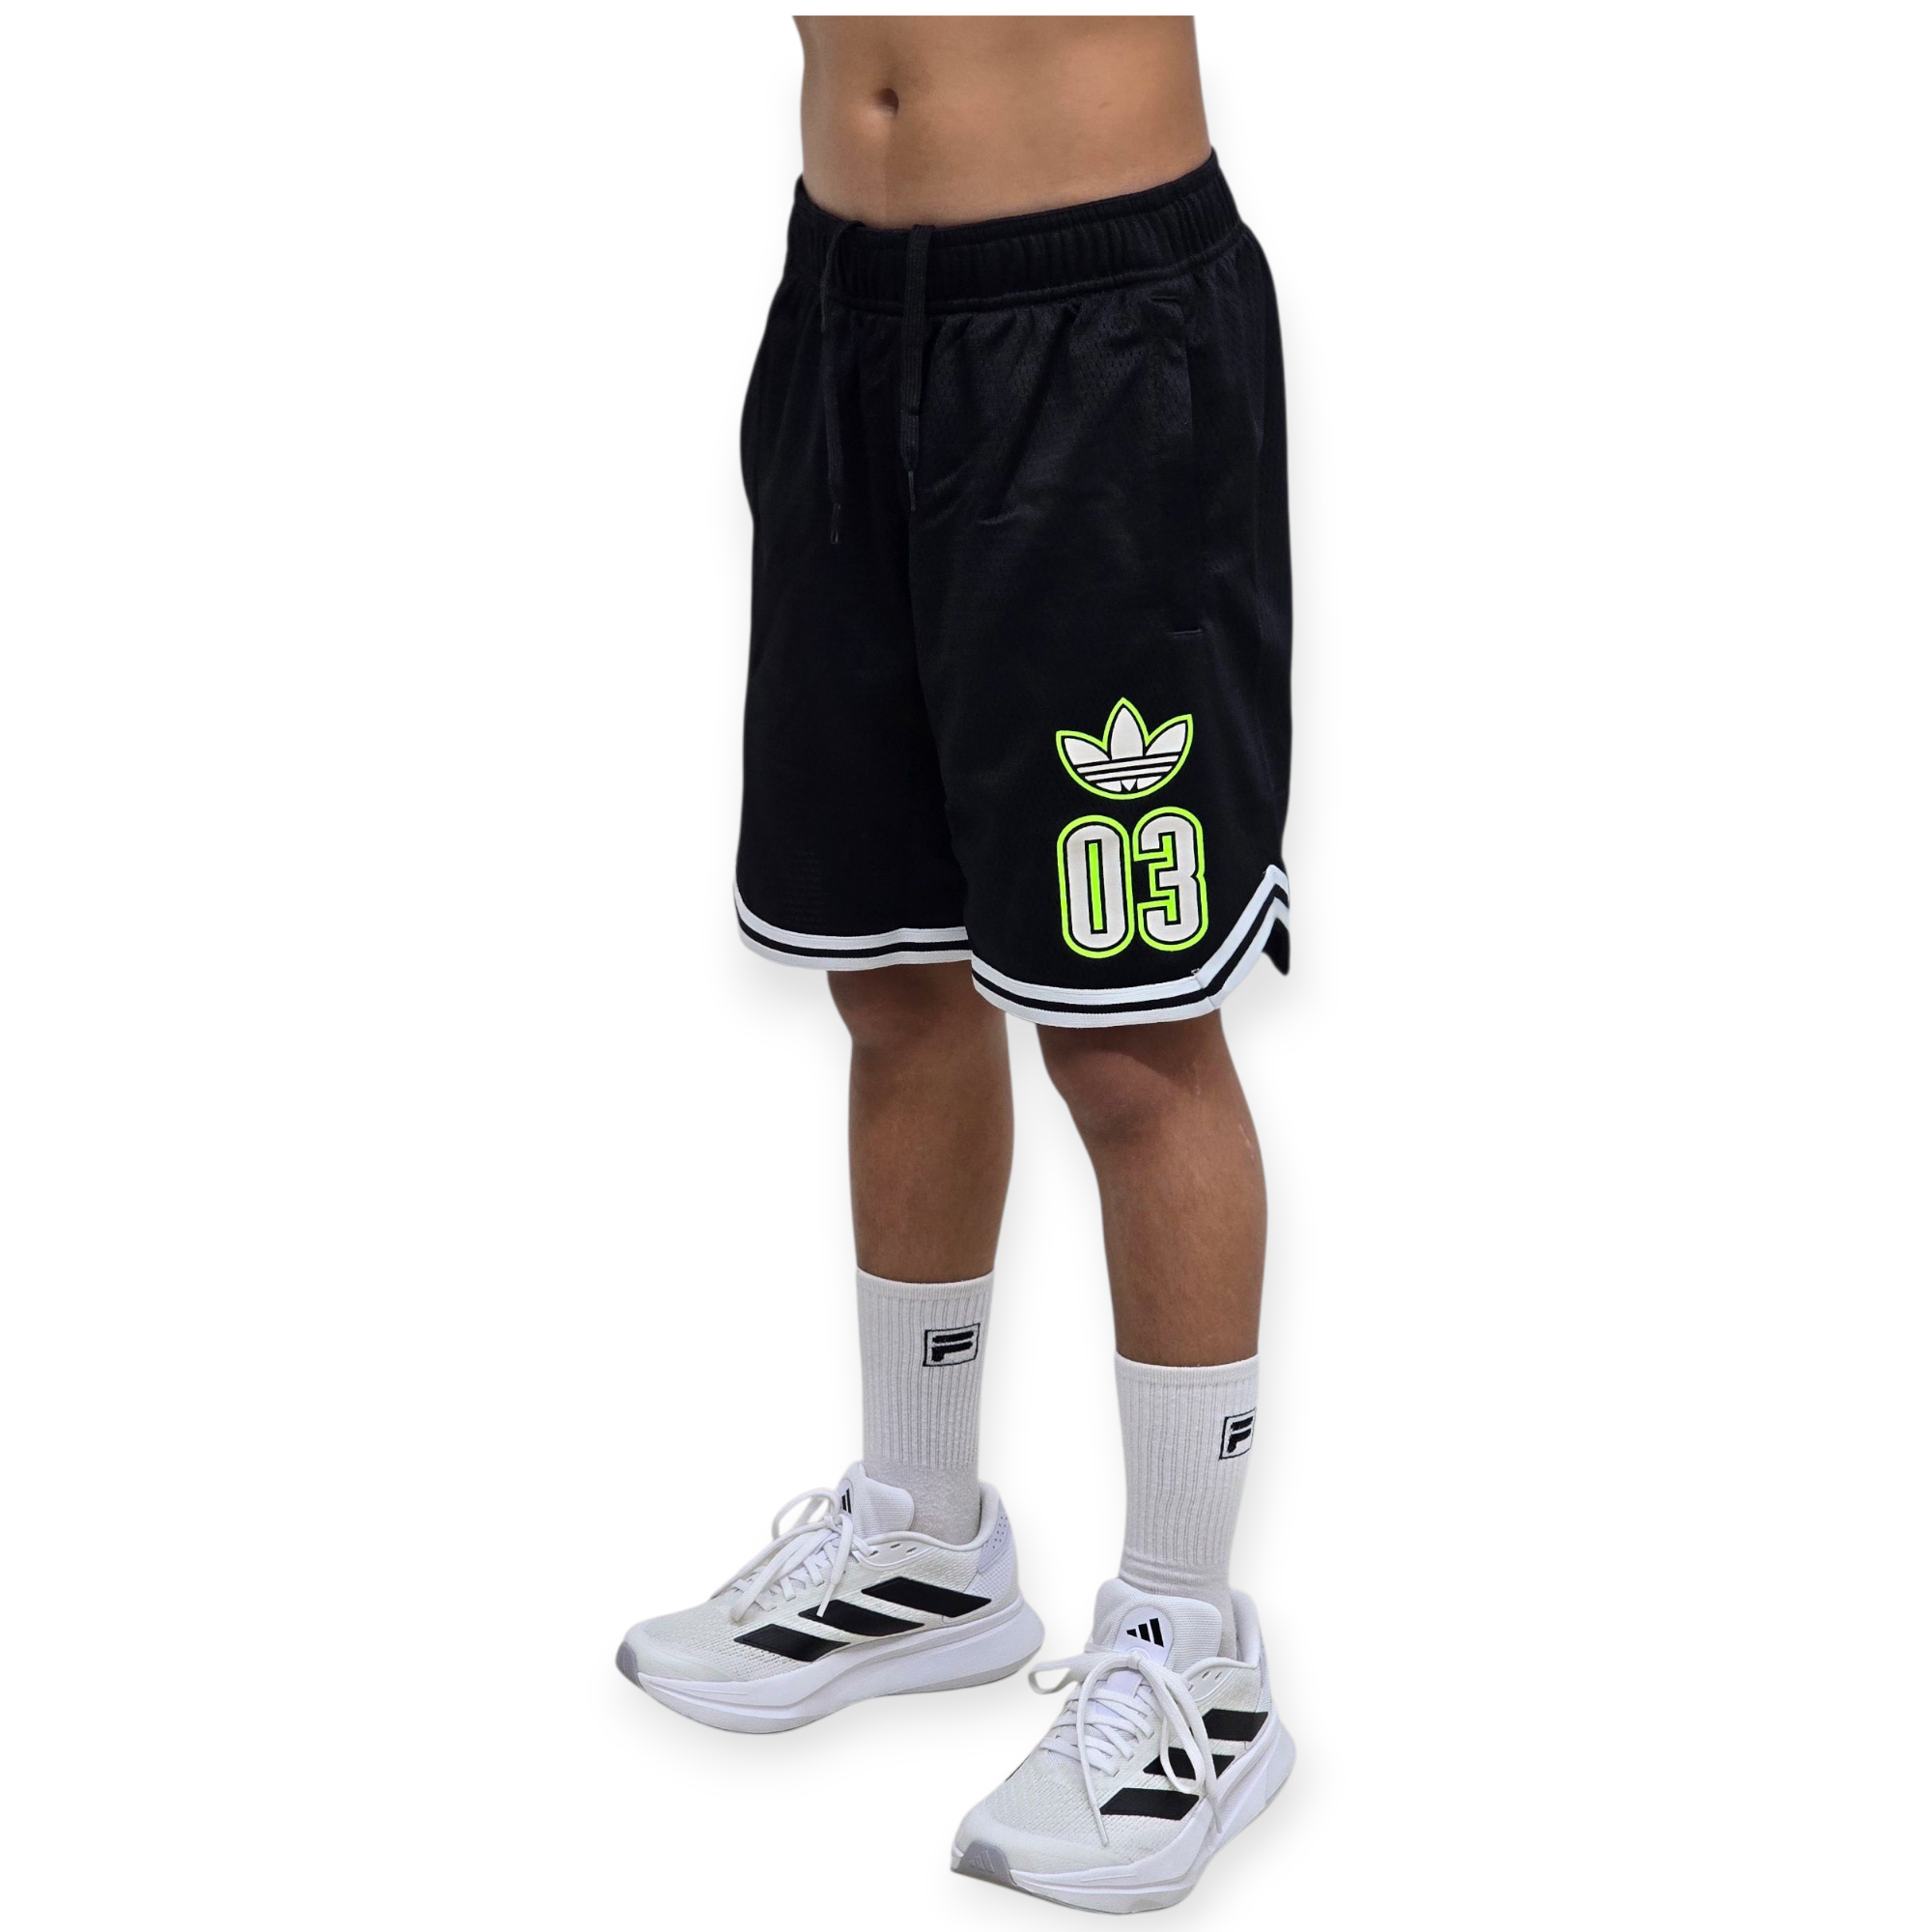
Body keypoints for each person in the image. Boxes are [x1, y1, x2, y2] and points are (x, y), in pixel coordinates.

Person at [618, 16, 1293, 1910]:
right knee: (891, 973)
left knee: (1129, 1036)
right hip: (845, 311)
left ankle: (1194, 1648)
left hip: (1102, 339)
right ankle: (922, 1540)